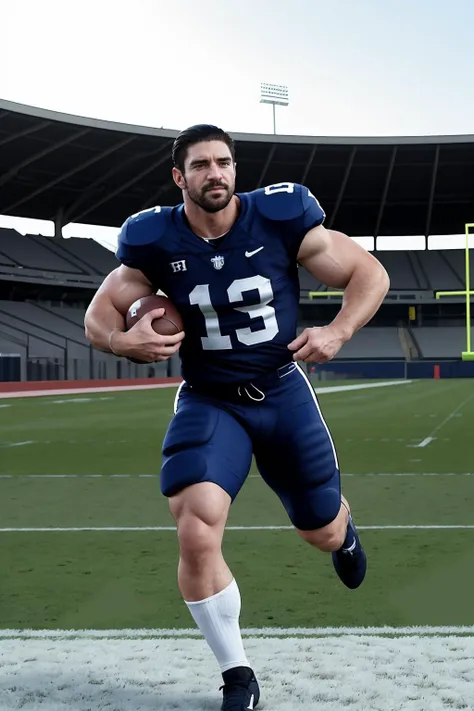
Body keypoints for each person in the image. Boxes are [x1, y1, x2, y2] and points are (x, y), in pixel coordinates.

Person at [84, 124, 390, 711]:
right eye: (200, 165)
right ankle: (237, 674)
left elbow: (368, 272)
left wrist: (338, 329)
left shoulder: (279, 217)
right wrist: (123, 342)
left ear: (235, 169)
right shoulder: (153, 238)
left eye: (223, 162)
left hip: (281, 392)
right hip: (209, 397)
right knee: (195, 527)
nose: (215, 173)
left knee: (318, 529)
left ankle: (343, 533)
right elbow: (102, 312)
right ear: (180, 177)